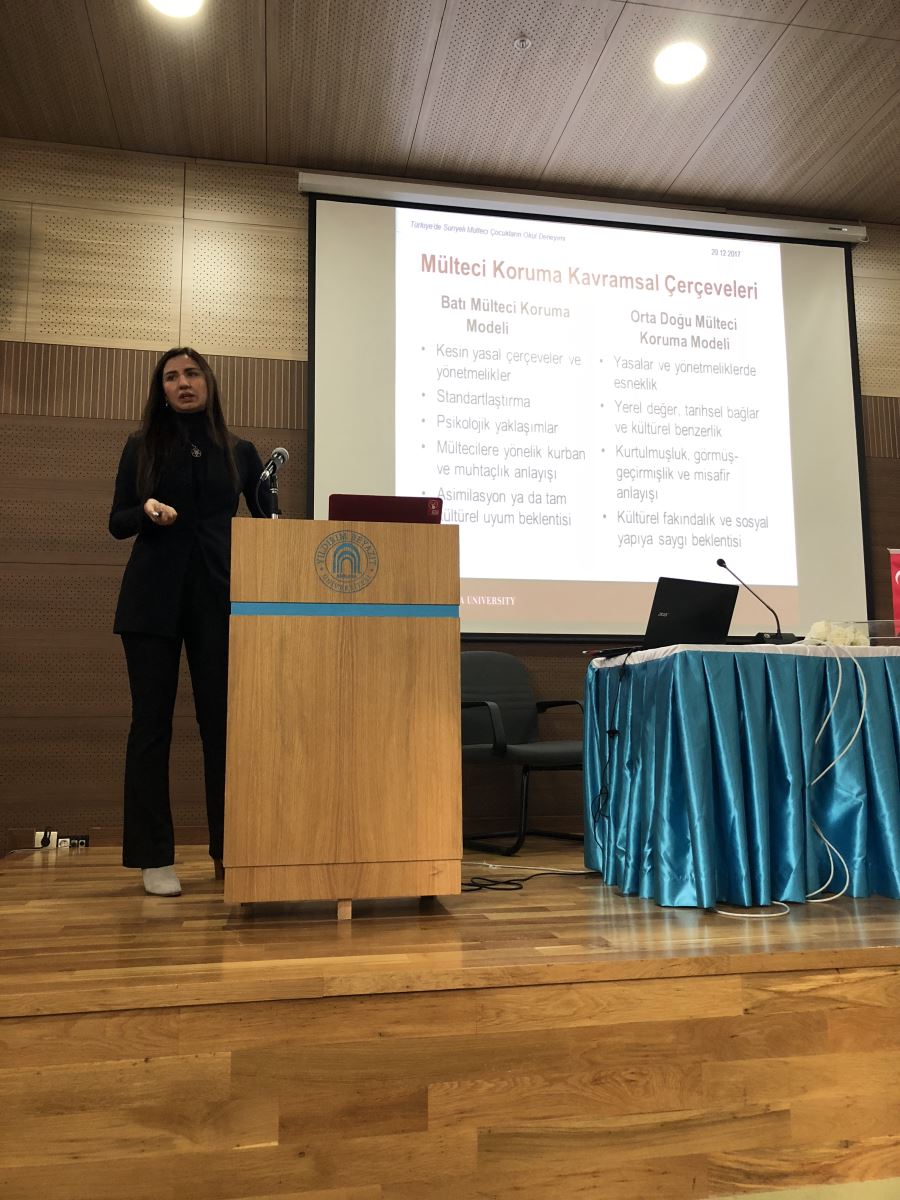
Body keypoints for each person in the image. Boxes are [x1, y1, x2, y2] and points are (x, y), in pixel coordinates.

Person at [109, 347, 272, 896]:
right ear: (161, 390)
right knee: (150, 726)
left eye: (192, 374)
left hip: (219, 599)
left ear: (208, 382)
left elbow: (268, 522)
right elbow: (116, 521)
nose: (183, 383)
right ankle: (153, 857)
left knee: (222, 728)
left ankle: (232, 849)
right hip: (151, 601)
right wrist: (145, 510)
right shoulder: (141, 446)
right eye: (172, 377)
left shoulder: (241, 452)